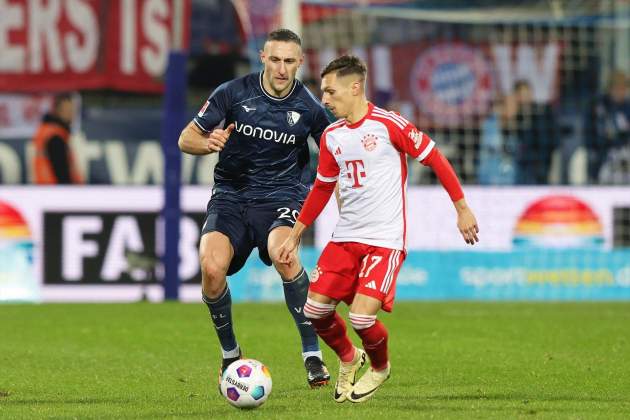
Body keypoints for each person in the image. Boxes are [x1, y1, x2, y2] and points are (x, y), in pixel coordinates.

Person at [277, 55, 479, 403]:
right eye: (322, 92)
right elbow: (323, 187)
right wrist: (295, 235)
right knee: (314, 312)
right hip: (345, 238)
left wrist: (462, 208)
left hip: (384, 240)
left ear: (355, 87)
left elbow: (435, 158)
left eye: (330, 91)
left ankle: (380, 367)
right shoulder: (331, 137)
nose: (324, 99)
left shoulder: (389, 124)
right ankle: (349, 357)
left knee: (360, 317)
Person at [177, 29, 332, 388]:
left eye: (289, 61)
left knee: (285, 255)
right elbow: (187, 137)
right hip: (230, 195)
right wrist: (208, 143)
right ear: (263, 57)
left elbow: (334, 152)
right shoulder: (232, 93)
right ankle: (230, 354)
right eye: (275, 59)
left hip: (282, 196)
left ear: (299, 63)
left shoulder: (308, 107)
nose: (281, 68)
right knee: (211, 269)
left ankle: (312, 354)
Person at [584, 70, 630, 183]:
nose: (620, 91)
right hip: (603, 155)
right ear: (610, 89)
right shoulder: (598, 106)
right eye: (617, 88)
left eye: (623, 88)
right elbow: (590, 134)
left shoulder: (628, 107)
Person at [511, 80, 559, 185]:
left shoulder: (542, 113)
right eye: (522, 94)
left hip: (540, 163)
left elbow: (550, 139)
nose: (525, 97)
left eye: (527, 93)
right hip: (521, 163)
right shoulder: (514, 115)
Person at [32, 93, 83, 184]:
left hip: (47, 189)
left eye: (72, 110)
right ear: (57, 110)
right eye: (67, 110)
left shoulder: (50, 131)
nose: (71, 114)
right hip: (55, 191)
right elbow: (61, 171)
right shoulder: (55, 136)